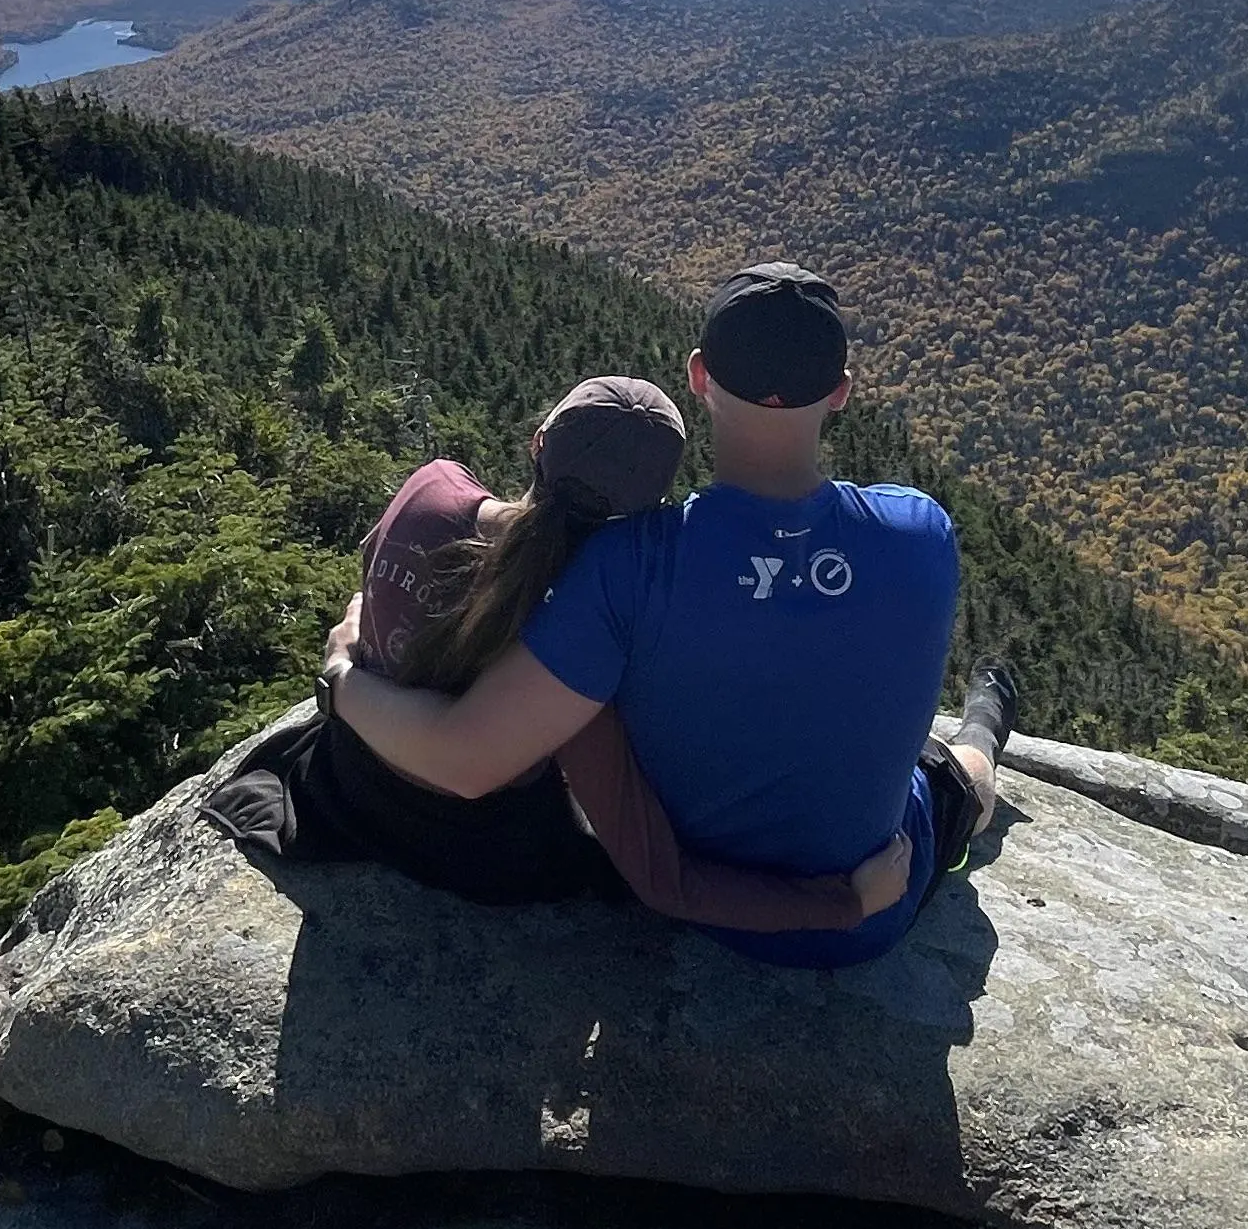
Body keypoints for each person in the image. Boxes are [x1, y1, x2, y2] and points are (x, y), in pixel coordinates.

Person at [328, 265, 1019, 968]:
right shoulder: (921, 531)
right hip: (875, 903)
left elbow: (465, 757)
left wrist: (342, 674)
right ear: (842, 390)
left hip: (710, 912)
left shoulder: (626, 568)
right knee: (959, 780)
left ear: (699, 376)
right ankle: (987, 720)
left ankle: (983, 721)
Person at [207, 373, 911, 932]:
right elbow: (664, 880)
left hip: (347, 785)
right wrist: (844, 904)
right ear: (648, 511)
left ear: (538, 443)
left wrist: (347, 661)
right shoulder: (578, 636)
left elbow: (368, 588)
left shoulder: (431, 487)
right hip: (476, 854)